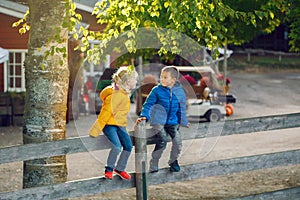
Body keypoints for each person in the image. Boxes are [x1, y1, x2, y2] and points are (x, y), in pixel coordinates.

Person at [136, 66, 190, 173]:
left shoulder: (179, 92)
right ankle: (154, 162)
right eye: (161, 76)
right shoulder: (156, 90)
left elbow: (181, 108)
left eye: (165, 77)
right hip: (158, 121)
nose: (162, 79)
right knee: (163, 140)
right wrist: (144, 116)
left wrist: (183, 121)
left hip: (172, 121)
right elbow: (148, 105)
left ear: (173, 80)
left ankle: (173, 161)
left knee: (178, 142)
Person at [88, 65, 138, 180]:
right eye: (134, 79)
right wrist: (96, 130)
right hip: (110, 125)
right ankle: (109, 169)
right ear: (127, 81)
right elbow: (104, 114)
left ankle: (120, 168)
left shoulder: (124, 93)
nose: (136, 82)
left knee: (128, 146)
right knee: (117, 146)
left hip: (120, 125)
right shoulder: (115, 95)